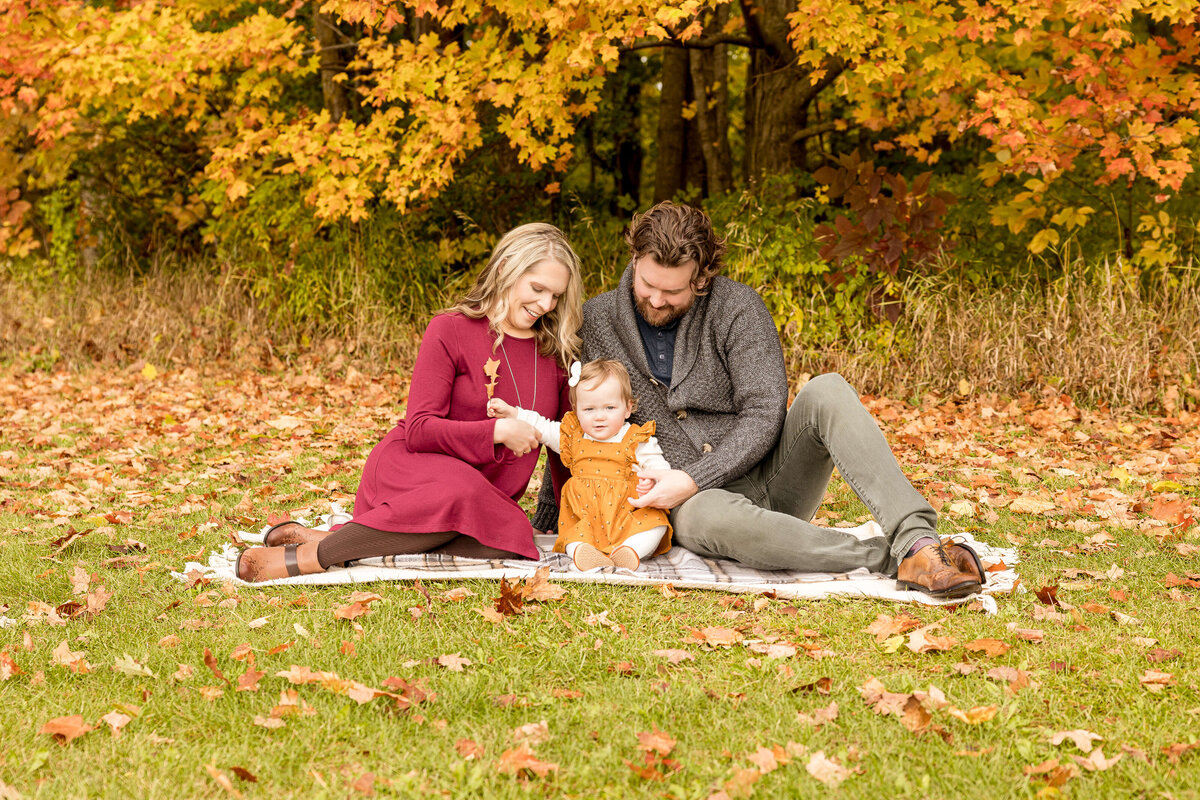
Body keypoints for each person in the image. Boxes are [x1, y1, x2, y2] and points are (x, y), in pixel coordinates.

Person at [531, 202, 985, 598]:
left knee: (826, 388)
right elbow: (573, 413)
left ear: (702, 277)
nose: (656, 298)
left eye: (673, 291)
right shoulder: (596, 320)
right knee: (705, 515)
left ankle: (917, 540)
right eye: (648, 284)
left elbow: (766, 412)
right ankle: (894, 558)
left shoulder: (739, 308)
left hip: (770, 479)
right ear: (634, 259)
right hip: (689, 508)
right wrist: (552, 511)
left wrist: (695, 475)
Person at [235, 222, 583, 582]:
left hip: (485, 497)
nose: (545, 304)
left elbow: (563, 443)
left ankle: (352, 539)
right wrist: (497, 430)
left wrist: (575, 518)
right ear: (505, 269)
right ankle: (312, 556)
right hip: (413, 471)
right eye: (537, 288)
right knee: (462, 492)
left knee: (514, 538)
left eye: (556, 296)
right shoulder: (450, 328)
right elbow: (419, 429)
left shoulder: (554, 353)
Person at [488, 359, 672, 572]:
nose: (599, 416)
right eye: (589, 409)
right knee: (573, 532)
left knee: (655, 523)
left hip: (628, 510)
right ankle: (582, 553)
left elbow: (661, 470)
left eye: (610, 408)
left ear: (628, 408)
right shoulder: (573, 437)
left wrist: (651, 481)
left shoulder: (636, 439)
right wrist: (514, 414)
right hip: (586, 512)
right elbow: (542, 428)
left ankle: (630, 551)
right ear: (576, 410)